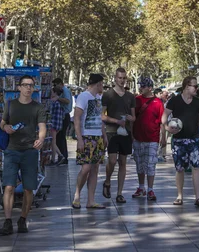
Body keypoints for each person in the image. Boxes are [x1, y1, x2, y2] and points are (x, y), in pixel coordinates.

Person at [0, 75, 47, 235]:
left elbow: (42, 126)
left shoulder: (38, 107)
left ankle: (23, 219)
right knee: (9, 187)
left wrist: (41, 139)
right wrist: (6, 127)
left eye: (31, 85)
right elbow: (2, 122)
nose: (28, 88)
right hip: (12, 150)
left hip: (30, 152)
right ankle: (7, 221)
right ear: (18, 87)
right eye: (25, 85)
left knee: (28, 189)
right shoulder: (10, 104)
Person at [160, 76, 199, 207]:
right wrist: (166, 128)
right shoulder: (174, 101)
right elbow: (164, 117)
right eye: (195, 86)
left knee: (196, 167)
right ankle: (179, 196)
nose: (197, 89)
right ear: (187, 86)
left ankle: (198, 197)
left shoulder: (198, 102)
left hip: (194, 139)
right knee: (180, 168)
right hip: (178, 140)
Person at [71, 74, 107, 209]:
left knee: (95, 168)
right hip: (86, 137)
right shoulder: (83, 97)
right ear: (98, 84)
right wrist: (79, 138)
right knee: (85, 168)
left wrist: (104, 135)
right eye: (102, 84)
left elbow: (100, 118)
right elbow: (77, 118)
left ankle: (91, 200)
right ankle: (77, 195)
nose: (102, 87)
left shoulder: (99, 98)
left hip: (97, 137)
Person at [101, 68, 136, 204]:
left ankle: (120, 193)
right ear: (115, 78)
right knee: (112, 160)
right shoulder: (108, 95)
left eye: (124, 78)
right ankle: (107, 181)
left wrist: (130, 120)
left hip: (126, 132)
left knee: (123, 162)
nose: (121, 80)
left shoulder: (130, 96)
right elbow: (102, 115)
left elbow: (134, 117)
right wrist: (116, 121)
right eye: (119, 78)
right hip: (111, 131)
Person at [131, 78, 164, 201]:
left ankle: (150, 189)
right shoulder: (136, 100)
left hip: (152, 138)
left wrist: (163, 137)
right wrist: (131, 135)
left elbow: (162, 121)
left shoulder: (158, 102)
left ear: (150, 88)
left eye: (143, 86)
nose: (141, 88)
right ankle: (141, 187)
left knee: (150, 164)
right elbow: (133, 119)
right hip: (138, 137)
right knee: (139, 164)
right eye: (140, 86)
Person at [52, 78, 73, 165]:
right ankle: (61, 157)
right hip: (61, 116)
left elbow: (67, 101)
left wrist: (57, 98)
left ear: (60, 84)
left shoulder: (65, 91)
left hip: (64, 115)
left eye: (55, 85)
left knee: (61, 137)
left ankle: (64, 157)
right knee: (58, 138)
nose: (54, 87)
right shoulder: (62, 91)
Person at [46, 82, 65, 165]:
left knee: (53, 142)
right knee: (53, 141)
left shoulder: (53, 102)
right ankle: (53, 159)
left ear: (55, 93)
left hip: (53, 124)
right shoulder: (59, 102)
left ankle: (60, 156)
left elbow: (49, 111)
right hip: (58, 124)